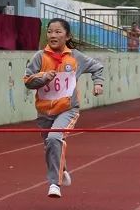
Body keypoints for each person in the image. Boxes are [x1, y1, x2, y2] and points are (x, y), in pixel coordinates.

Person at [23, 18, 105, 198]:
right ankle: (63, 169)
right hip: (44, 112)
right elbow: (28, 82)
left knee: (54, 139)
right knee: (50, 145)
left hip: (67, 109)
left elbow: (98, 67)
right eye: (50, 31)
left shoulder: (76, 57)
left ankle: (54, 183)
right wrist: (43, 77)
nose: (53, 35)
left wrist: (98, 83)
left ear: (67, 36)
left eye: (58, 32)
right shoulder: (39, 57)